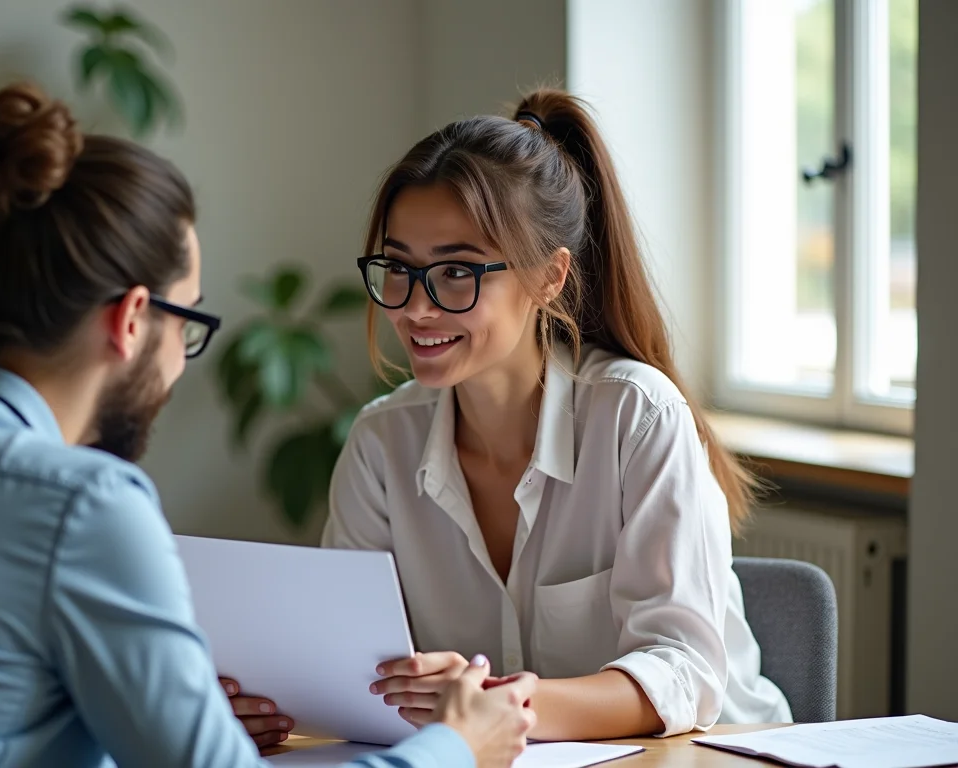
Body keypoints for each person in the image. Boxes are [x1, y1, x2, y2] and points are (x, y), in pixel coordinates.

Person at [0, 82, 538, 768]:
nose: (179, 365)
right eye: (187, 325)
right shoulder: (82, 503)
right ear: (133, 320)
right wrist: (457, 748)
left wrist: (171, 723)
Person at [321, 88, 794, 742]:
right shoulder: (380, 445)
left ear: (549, 276)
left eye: (456, 272)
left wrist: (498, 705)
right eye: (399, 267)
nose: (415, 307)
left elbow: (684, 673)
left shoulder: (637, 416)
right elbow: (348, 666)